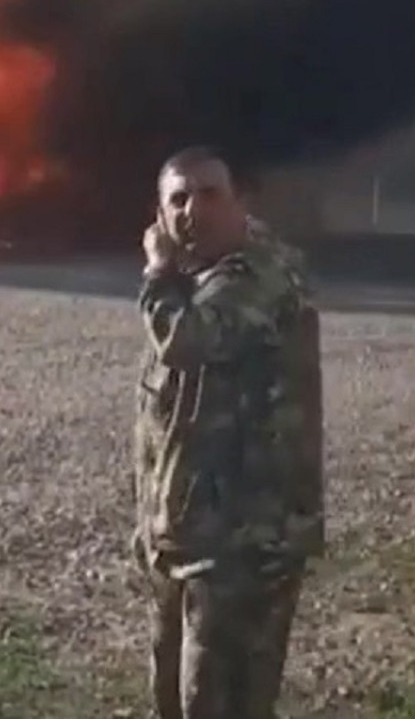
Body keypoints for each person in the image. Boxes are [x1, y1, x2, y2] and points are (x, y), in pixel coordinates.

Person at [132, 145, 324, 719]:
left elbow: (187, 342)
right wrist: (150, 526)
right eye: (178, 199)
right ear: (161, 215)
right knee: (173, 695)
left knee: (223, 703)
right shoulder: (199, 274)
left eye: (210, 194)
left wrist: (157, 273)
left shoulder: (258, 273)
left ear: (241, 201)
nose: (193, 210)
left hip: (246, 538)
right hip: (188, 533)